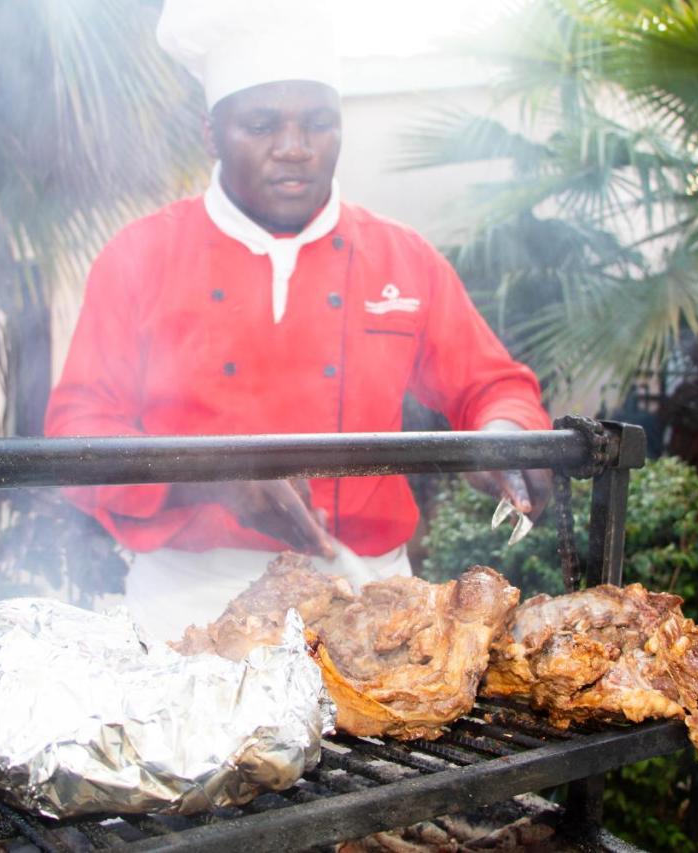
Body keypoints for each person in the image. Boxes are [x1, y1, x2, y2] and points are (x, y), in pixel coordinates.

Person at [44, 0, 552, 640]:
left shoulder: (402, 257)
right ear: (212, 133)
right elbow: (78, 432)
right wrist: (208, 480)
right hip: (191, 599)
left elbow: (492, 385)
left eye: (318, 123)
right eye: (261, 125)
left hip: (371, 596)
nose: (294, 148)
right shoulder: (139, 257)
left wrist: (506, 433)